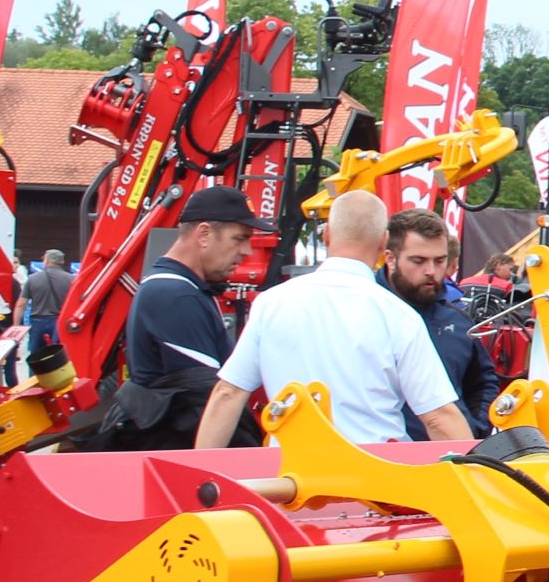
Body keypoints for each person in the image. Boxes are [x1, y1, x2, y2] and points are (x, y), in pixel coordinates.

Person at [196, 190, 468, 449]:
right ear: (384, 242)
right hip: (375, 476)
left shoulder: (271, 303)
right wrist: (483, 478)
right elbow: (438, 416)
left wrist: (199, 483)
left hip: (292, 477)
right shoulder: (398, 315)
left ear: (326, 234)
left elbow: (228, 394)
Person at [103, 184, 265, 450]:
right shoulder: (175, 296)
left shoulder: (180, 288)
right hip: (179, 456)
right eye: (239, 238)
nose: (247, 251)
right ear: (203, 234)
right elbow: (206, 402)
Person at [380, 208, 498, 439]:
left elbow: (483, 382)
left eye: (439, 261)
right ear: (390, 259)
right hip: (377, 459)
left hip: (449, 457)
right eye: (418, 261)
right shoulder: (364, 314)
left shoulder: (457, 320)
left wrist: (474, 427)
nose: (431, 271)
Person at [15, 248, 74, 357]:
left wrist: (16, 326)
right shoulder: (71, 280)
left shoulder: (33, 279)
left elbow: (21, 304)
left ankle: (34, 374)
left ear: (46, 261)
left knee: (36, 357)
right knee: (59, 357)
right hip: (60, 322)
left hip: (38, 322)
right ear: (62, 262)